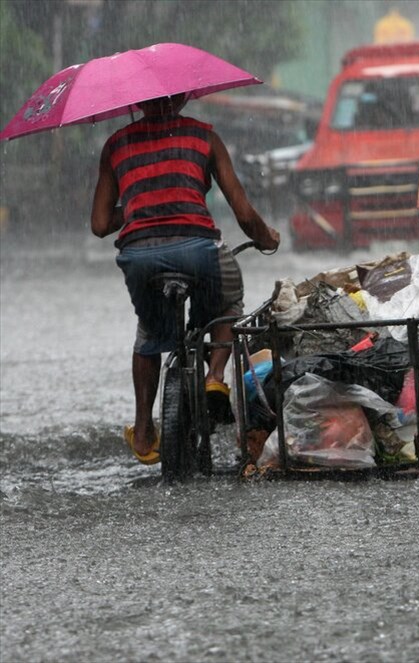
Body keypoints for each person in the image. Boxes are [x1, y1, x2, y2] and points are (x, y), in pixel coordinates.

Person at [90, 93, 280, 464]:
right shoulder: (204, 137)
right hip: (198, 250)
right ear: (181, 98)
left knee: (148, 331)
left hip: (139, 256)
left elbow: (99, 224)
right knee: (226, 301)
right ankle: (215, 376)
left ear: (138, 102)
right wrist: (266, 237)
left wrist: (135, 205)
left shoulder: (115, 145)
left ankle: (144, 432)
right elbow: (243, 212)